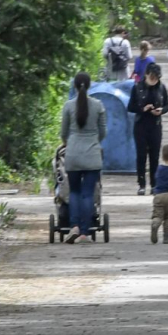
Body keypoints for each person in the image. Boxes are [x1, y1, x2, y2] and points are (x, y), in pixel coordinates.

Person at [60, 72, 107, 244]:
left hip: (72, 154)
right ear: (89, 86)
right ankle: (84, 233)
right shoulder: (98, 105)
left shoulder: (68, 106)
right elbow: (103, 132)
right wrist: (94, 141)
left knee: (74, 191)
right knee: (88, 194)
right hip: (92, 156)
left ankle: (74, 226)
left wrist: (69, 143)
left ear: (74, 86)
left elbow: (63, 133)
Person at [127, 62, 168, 196]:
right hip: (141, 124)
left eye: (156, 77)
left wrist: (161, 110)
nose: (154, 80)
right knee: (141, 155)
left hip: (155, 125)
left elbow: (167, 105)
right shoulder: (137, 88)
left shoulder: (161, 88)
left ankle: (154, 183)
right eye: (152, 77)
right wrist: (142, 109)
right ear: (146, 75)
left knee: (154, 155)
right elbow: (130, 107)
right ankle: (141, 183)